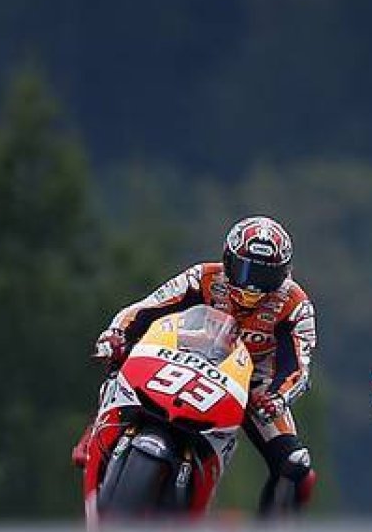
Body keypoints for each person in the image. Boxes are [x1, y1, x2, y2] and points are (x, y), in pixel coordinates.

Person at [72, 215, 318, 516]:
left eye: (265, 277)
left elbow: (298, 365)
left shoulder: (295, 304)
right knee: (120, 361)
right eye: (244, 270)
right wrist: (116, 334)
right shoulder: (202, 276)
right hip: (190, 357)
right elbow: (146, 308)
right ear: (227, 259)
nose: (252, 286)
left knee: (295, 466)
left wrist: (277, 397)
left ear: (284, 274)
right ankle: (97, 427)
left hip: (254, 384)